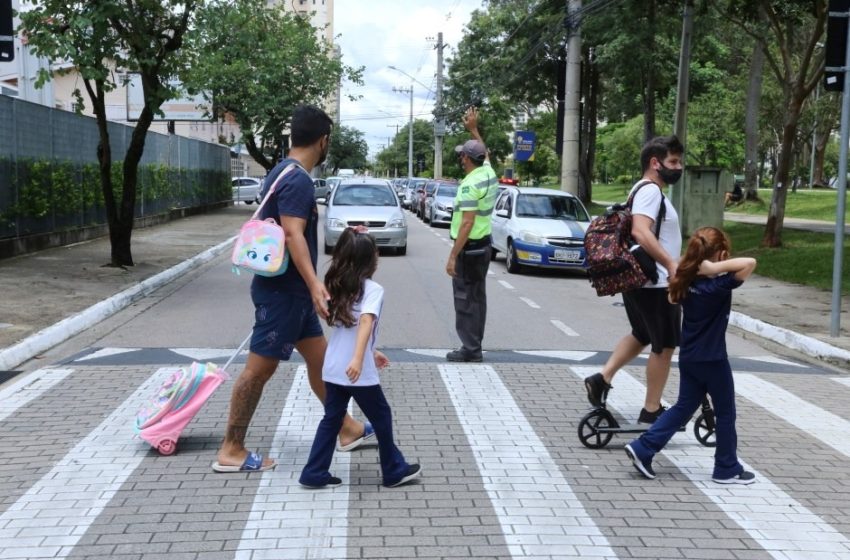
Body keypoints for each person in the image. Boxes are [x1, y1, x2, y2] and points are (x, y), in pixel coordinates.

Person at [213, 105, 371, 473]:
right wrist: (316, 284)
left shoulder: (279, 172)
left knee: (322, 363)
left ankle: (346, 429)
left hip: (291, 294)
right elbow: (292, 233)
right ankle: (231, 448)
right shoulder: (298, 179)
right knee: (257, 371)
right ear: (323, 140)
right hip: (284, 294)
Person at [625, 227, 757, 484]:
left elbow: (675, 296)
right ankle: (726, 467)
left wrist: (701, 268)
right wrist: (714, 269)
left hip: (690, 358)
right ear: (720, 255)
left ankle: (644, 447)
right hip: (713, 359)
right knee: (726, 413)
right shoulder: (718, 284)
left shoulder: (686, 282)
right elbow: (750, 263)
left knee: (684, 407)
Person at [299, 228, 422, 488]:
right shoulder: (372, 289)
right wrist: (358, 358)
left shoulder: (337, 285)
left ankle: (314, 471)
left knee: (331, 419)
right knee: (382, 417)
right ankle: (393, 470)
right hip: (356, 371)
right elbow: (365, 320)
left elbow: (347, 326)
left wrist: (371, 351)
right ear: (370, 260)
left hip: (333, 366)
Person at [584, 135, 685, 424]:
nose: (678, 168)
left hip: (639, 279)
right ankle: (651, 409)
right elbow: (641, 231)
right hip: (656, 282)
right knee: (664, 345)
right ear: (656, 163)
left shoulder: (641, 189)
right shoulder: (651, 191)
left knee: (642, 334)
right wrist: (669, 263)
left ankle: (601, 379)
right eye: (673, 162)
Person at [444, 107, 499, 362]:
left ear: (466, 158)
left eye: (461, 155)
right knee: (477, 299)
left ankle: (470, 349)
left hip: (469, 249)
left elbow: (466, 223)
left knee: (465, 300)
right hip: (484, 246)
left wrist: (453, 255)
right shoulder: (488, 174)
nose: (460, 158)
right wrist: (474, 130)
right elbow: (485, 153)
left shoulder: (469, 185)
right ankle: (474, 345)